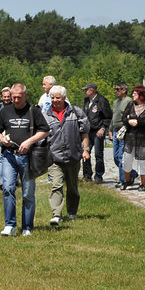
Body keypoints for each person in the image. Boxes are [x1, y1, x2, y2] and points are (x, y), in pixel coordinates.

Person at [0, 83, 49, 236]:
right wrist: (2, 139)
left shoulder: (34, 111)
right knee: (7, 188)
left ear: (25, 95)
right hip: (9, 156)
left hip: (28, 157)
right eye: (14, 97)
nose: (16, 100)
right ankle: (9, 225)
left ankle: (27, 227)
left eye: (19, 97)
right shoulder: (5, 111)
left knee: (27, 194)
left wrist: (29, 142)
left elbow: (45, 130)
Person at [44, 85, 90, 226]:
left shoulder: (76, 112)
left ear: (64, 97)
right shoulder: (45, 115)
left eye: (58, 97)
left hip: (73, 155)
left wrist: (86, 149)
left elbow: (85, 132)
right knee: (56, 185)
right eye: (52, 97)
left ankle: (72, 212)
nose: (55, 100)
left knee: (72, 187)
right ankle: (56, 214)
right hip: (54, 157)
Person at [121, 85, 145, 192]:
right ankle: (127, 180)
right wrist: (128, 121)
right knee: (126, 160)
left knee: (143, 161)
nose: (133, 94)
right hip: (130, 138)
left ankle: (142, 183)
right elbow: (123, 117)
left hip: (144, 139)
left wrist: (139, 122)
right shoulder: (130, 105)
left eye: (135, 93)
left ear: (141, 95)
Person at [81, 83, 112, 183]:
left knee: (98, 154)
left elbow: (108, 116)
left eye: (87, 89)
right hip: (87, 131)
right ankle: (87, 174)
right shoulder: (86, 101)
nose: (85, 91)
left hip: (98, 131)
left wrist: (103, 128)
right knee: (85, 152)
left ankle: (98, 175)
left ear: (93, 90)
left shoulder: (102, 101)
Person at [110, 83, 136, 188]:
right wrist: (110, 130)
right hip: (116, 131)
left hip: (124, 131)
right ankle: (131, 173)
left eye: (118, 89)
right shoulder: (116, 102)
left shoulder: (129, 101)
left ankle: (123, 179)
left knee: (121, 156)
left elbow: (132, 115)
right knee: (116, 157)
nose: (116, 91)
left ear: (124, 90)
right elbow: (114, 116)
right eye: (115, 89)